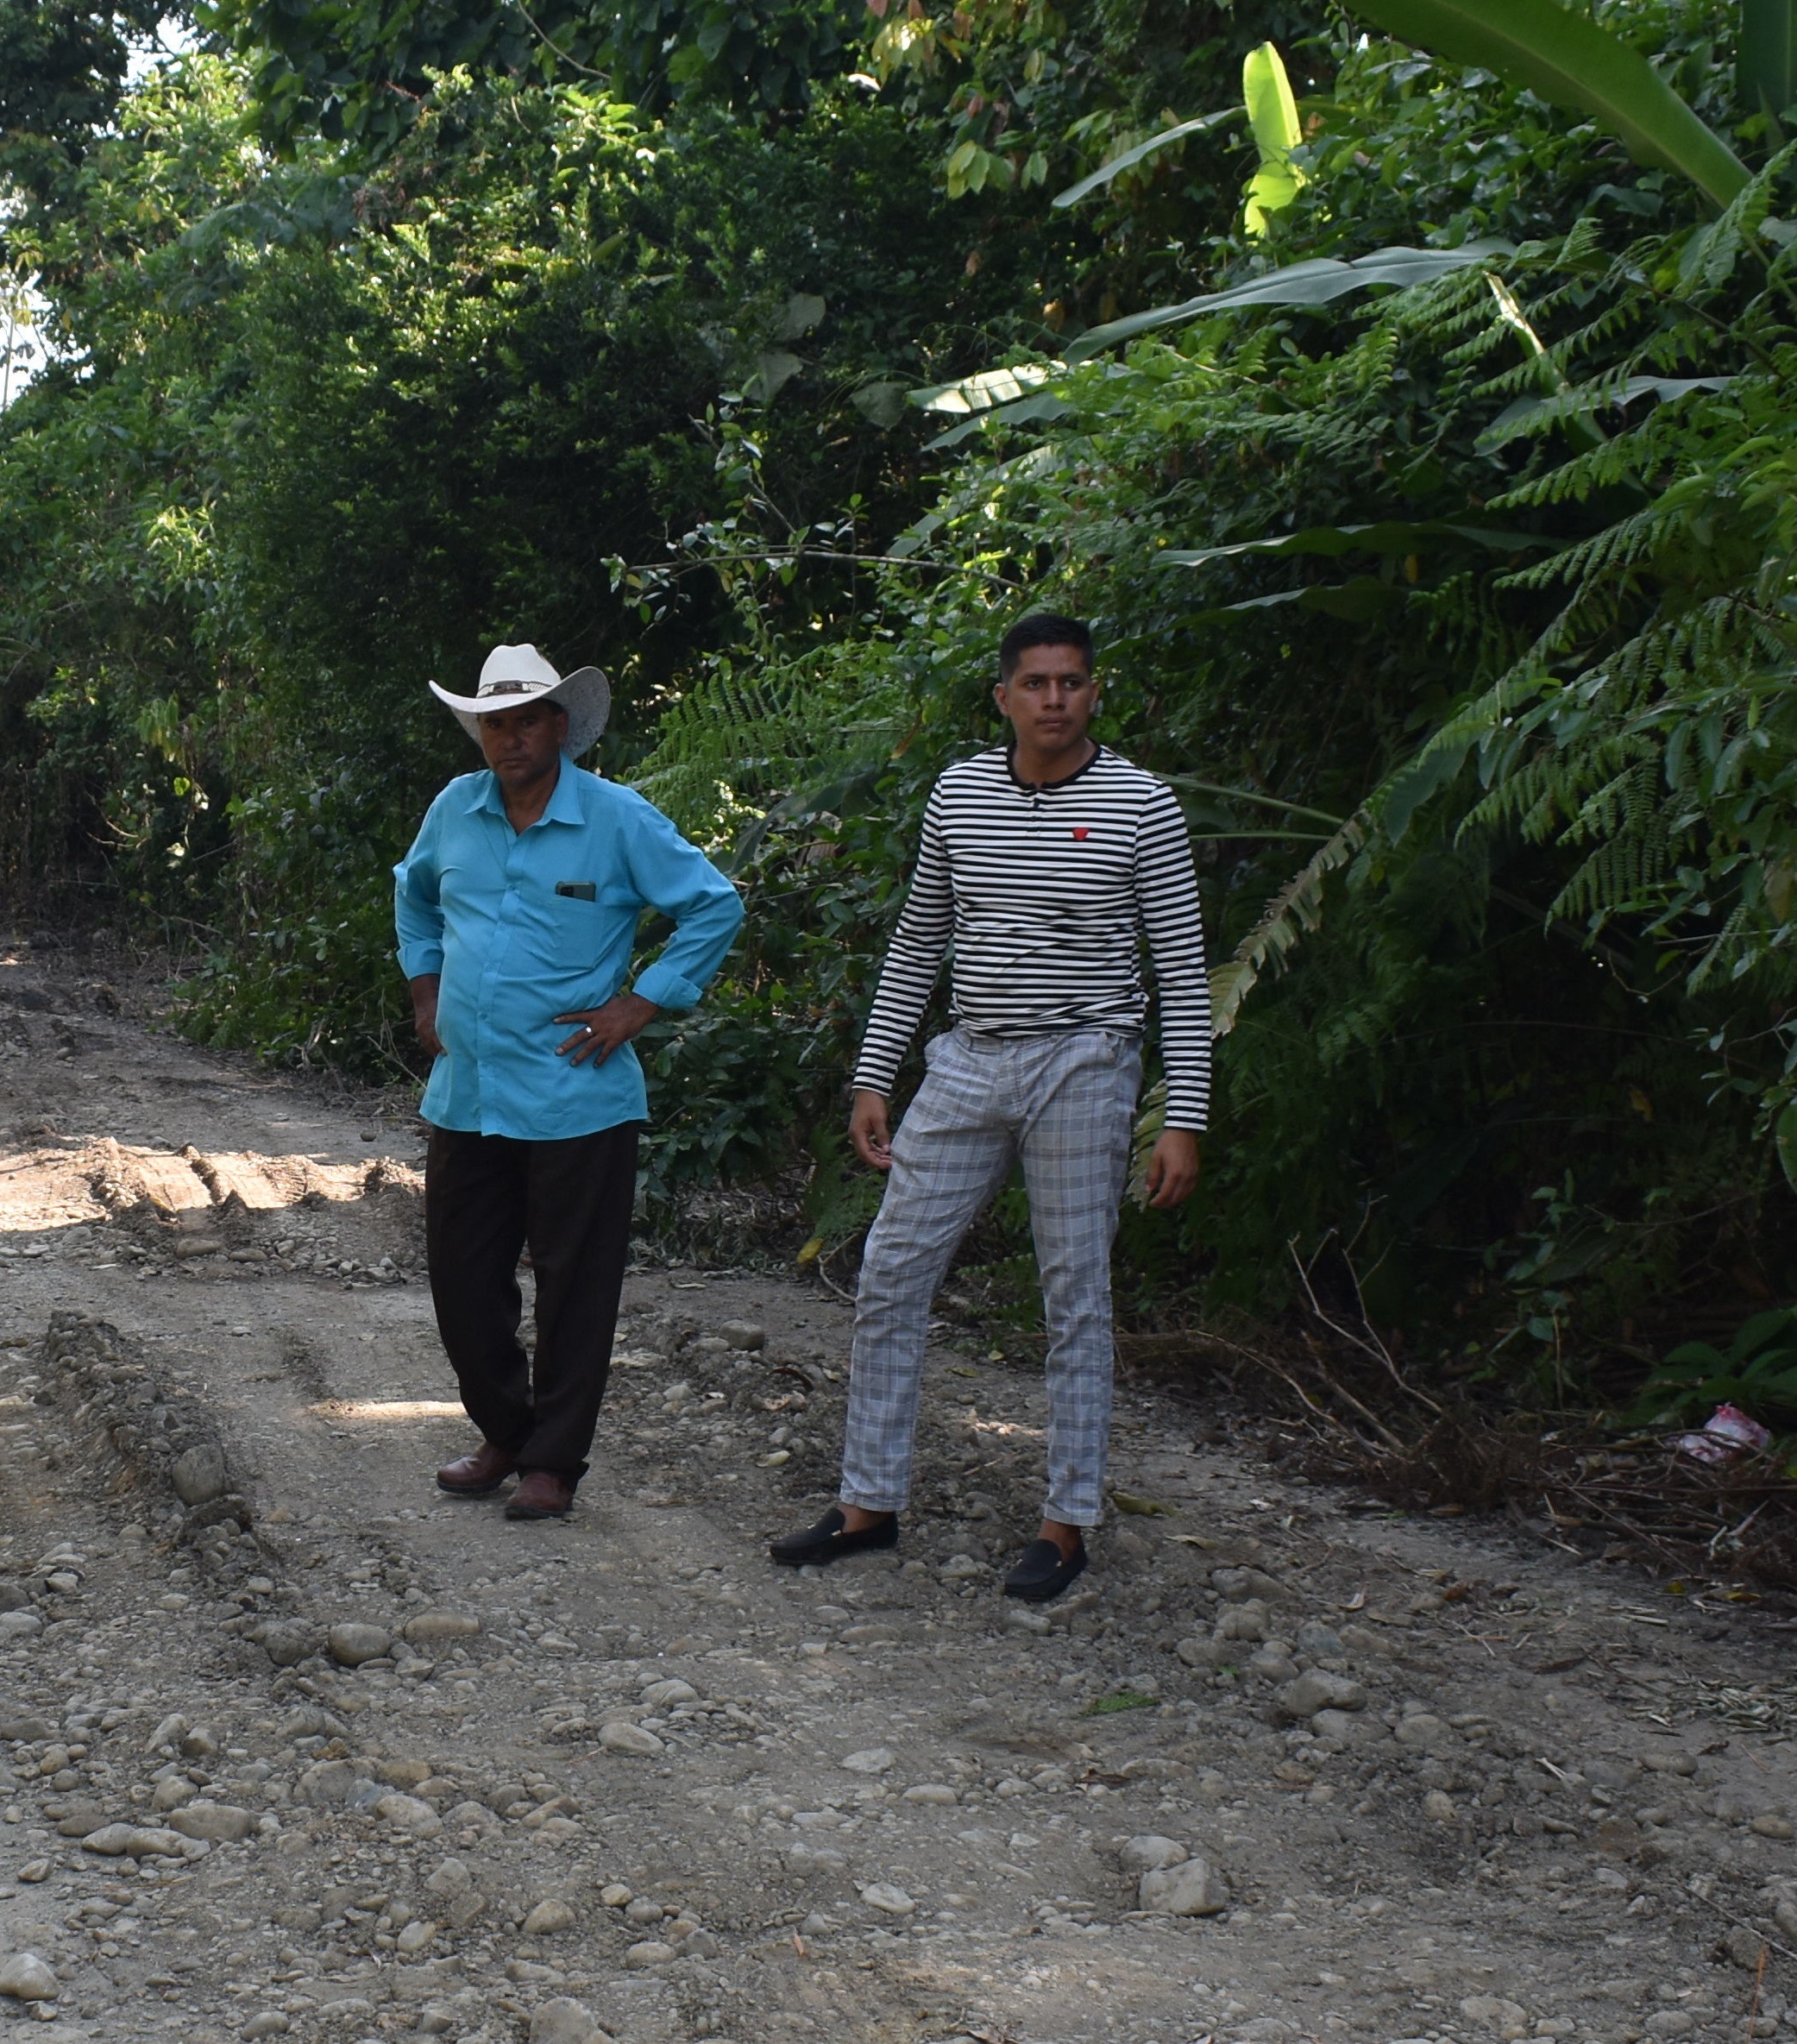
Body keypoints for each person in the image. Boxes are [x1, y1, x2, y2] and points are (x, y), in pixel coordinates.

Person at [774, 613, 1204, 1605]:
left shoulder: (1142, 805)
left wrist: (1184, 1115)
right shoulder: (960, 793)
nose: (1055, 699)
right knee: (890, 1269)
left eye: (1072, 682)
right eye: (1036, 683)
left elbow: (1183, 973)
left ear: (1094, 693)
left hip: (1086, 1060)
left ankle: (1066, 1523)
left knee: (1074, 1291)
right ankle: (867, 1502)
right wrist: (875, 1074)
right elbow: (919, 939)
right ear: (1003, 696)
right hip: (969, 1058)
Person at [393, 643, 742, 1525]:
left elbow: (713, 903)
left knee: (575, 1289)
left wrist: (642, 1003)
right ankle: (507, 1432)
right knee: (462, 1284)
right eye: (495, 723)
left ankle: (552, 1463)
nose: (510, 738)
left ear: (560, 727)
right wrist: (426, 989)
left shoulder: (616, 819)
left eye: (527, 721)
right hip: (469, 1092)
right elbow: (413, 894)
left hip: (577, 1095)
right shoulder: (455, 809)